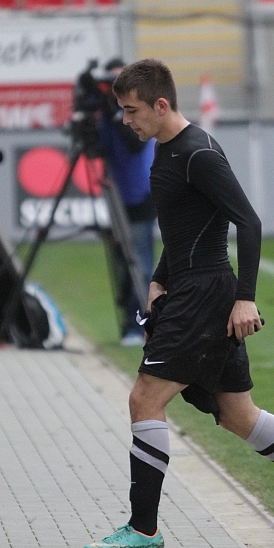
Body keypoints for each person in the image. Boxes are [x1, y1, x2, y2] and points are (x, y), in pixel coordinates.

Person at [83, 58, 274, 548]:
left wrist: (245, 297)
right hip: (189, 290)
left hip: (204, 295)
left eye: (131, 111)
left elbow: (248, 223)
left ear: (161, 105)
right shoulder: (166, 148)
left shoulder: (198, 153)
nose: (126, 121)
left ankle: (143, 530)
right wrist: (158, 279)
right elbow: (184, 228)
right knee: (238, 414)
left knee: (145, 400)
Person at [99, 57, 156, 347]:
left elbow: (135, 144)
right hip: (117, 197)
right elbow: (97, 147)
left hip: (141, 196)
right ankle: (129, 323)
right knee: (122, 265)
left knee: (141, 265)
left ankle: (142, 325)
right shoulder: (106, 113)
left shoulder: (139, 111)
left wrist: (115, 112)